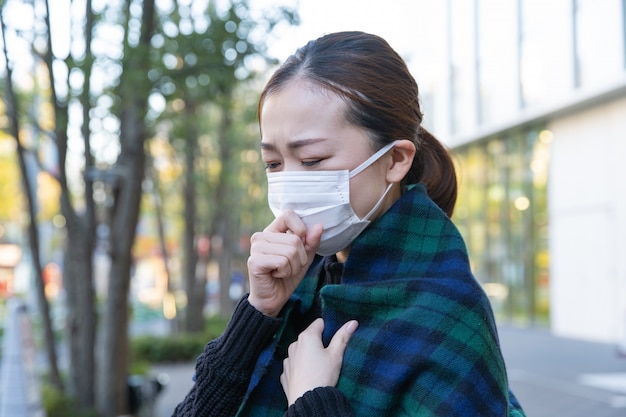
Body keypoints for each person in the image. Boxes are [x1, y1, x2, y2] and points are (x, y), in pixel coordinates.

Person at [172, 31, 526, 417]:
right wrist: (258, 312)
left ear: (395, 160)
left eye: (312, 160)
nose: (290, 183)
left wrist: (314, 402)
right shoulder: (297, 286)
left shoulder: (446, 312)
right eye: (273, 164)